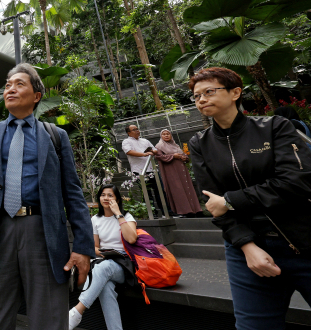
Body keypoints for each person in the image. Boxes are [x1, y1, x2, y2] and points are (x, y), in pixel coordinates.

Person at [0, 63, 95, 330]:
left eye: (19, 84)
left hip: (44, 234)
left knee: (49, 320)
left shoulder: (56, 136)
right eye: (8, 84)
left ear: (37, 95)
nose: (10, 89)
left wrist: (83, 247)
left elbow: (73, 193)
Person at [188, 67, 311, 330]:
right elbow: (213, 203)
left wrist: (231, 200)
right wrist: (247, 246)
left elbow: (296, 182)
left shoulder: (274, 126)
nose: (201, 100)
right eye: (196, 96)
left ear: (235, 93)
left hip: (302, 237)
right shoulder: (200, 143)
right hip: (246, 249)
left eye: (209, 92)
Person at [69, 184, 137, 330]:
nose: (106, 198)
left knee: (104, 267)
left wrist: (118, 214)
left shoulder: (126, 216)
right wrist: (101, 251)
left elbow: (131, 238)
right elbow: (93, 247)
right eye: (103, 195)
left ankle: (77, 311)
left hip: (124, 266)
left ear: (117, 199)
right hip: (104, 261)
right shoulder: (96, 219)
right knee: (105, 287)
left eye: (110, 195)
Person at [121, 125, 170, 217]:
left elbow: (155, 150)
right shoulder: (126, 141)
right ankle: (153, 213)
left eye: (137, 129)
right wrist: (144, 154)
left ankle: (166, 212)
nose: (137, 131)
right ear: (129, 133)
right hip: (139, 171)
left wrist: (152, 152)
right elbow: (128, 151)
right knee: (146, 193)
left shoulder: (145, 140)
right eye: (134, 130)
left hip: (152, 169)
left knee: (160, 191)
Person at [154, 129, 202, 217]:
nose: (166, 135)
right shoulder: (159, 146)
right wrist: (173, 156)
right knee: (177, 189)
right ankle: (183, 211)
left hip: (181, 171)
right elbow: (159, 157)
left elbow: (184, 154)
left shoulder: (175, 145)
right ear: (161, 136)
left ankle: (194, 209)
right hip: (170, 172)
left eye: (168, 134)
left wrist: (185, 158)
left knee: (187, 187)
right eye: (164, 134)